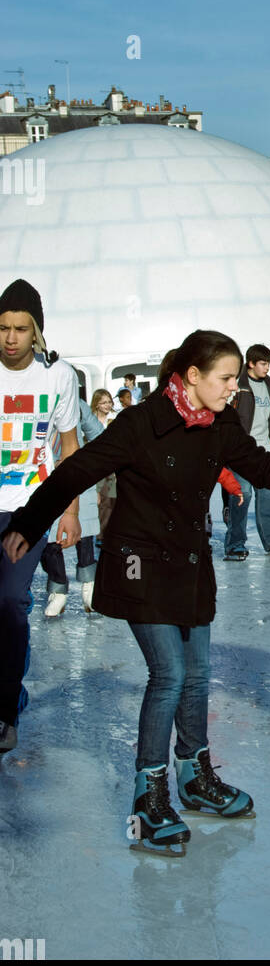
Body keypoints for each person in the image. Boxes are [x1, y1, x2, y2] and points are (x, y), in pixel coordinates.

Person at [1, 329, 270, 852]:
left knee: (198, 675)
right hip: (139, 564)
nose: (234, 387)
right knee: (168, 674)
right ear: (192, 376)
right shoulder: (141, 423)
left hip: (190, 566)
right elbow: (75, 470)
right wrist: (31, 523)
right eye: (226, 378)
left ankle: (195, 777)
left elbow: (266, 468)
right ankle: (149, 800)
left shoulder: (220, 424)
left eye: (237, 378)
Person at [0, 279, 82, 756]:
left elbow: (70, 448)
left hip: (29, 507)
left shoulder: (58, 376)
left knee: (10, 602)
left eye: (21, 329)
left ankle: (5, 709)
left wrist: (69, 509)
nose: (11, 338)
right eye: (4, 328)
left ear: (37, 333)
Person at [224, 344, 270, 561]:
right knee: (243, 494)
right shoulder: (238, 385)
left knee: (267, 495)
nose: (267, 368)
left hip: (265, 451)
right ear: (251, 363)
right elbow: (225, 416)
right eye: (263, 363)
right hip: (241, 452)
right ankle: (235, 543)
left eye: (269, 363)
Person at [43, 394, 105, 618]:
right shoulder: (34, 398)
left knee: (85, 533)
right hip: (41, 476)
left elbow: (99, 434)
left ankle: (89, 586)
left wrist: (85, 459)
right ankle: (58, 590)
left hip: (77, 472)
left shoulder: (75, 403)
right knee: (48, 537)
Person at [91, 388, 117, 540]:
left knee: (114, 500)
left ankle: (111, 534)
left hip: (114, 466)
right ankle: (102, 536)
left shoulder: (115, 418)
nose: (107, 405)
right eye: (103, 403)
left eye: (109, 402)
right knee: (103, 501)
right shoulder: (91, 420)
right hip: (97, 467)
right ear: (96, 404)